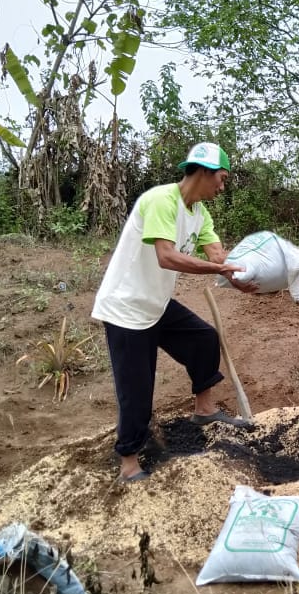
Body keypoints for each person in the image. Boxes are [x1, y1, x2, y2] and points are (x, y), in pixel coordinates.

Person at [92, 142, 258, 483]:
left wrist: (242, 272)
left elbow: (216, 255)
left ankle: (204, 409)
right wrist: (218, 271)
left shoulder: (200, 212)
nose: (222, 187)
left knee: (203, 339)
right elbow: (166, 257)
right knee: (137, 387)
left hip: (156, 303)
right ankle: (129, 463)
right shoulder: (160, 201)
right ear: (203, 172)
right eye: (221, 179)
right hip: (127, 307)